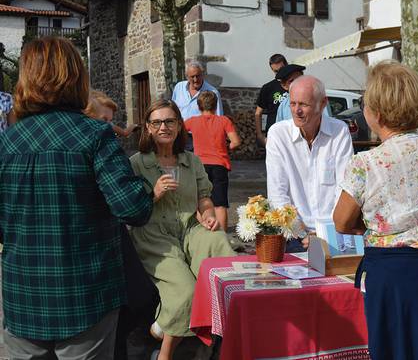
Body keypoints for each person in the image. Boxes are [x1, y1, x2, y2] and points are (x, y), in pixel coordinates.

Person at [0, 37, 153, 359]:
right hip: (87, 294)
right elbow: (133, 208)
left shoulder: (7, 141)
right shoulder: (94, 134)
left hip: (23, 293)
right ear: (75, 77)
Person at [333, 60, 418, 360]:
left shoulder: (366, 163)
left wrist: (371, 227)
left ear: (377, 114)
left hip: (397, 277)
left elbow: (341, 222)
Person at [129, 100, 235, 360]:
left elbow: (204, 198)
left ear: (179, 125)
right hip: (154, 234)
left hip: (189, 228)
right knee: (187, 292)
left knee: (220, 245)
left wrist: (209, 216)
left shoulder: (192, 161)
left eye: (169, 121)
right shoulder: (136, 163)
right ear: (148, 128)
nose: (163, 127)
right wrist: (154, 194)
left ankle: (212, 339)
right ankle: (165, 350)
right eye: (157, 122)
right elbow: (130, 208)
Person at [266, 75, 353, 252]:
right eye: (293, 104)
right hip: (294, 235)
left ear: (322, 104)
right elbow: (277, 193)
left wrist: (325, 233)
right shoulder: (278, 134)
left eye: (303, 105)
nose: (297, 110)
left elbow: (344, 187)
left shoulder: (339, 131)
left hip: (334, 233)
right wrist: (303, 234)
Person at [185, 90, 242, 229]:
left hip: (199, 166)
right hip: (219, 164)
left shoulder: (193, 121)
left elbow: (178, 132)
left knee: (200, 201)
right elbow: (236, 142)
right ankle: (221, 236)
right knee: (220, 203)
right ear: (216, 105)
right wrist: (226, 146)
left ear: (198, 107)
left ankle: (202, 232)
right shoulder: (224, 121)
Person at [255, 54, 288, 146]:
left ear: (286, 65)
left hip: (293, 134)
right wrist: (260, 135)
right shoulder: (268, 88)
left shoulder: (296, 85)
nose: (279, 73)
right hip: (274, 135)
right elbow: (258, 113)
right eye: (275, 71)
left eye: (281, 70)